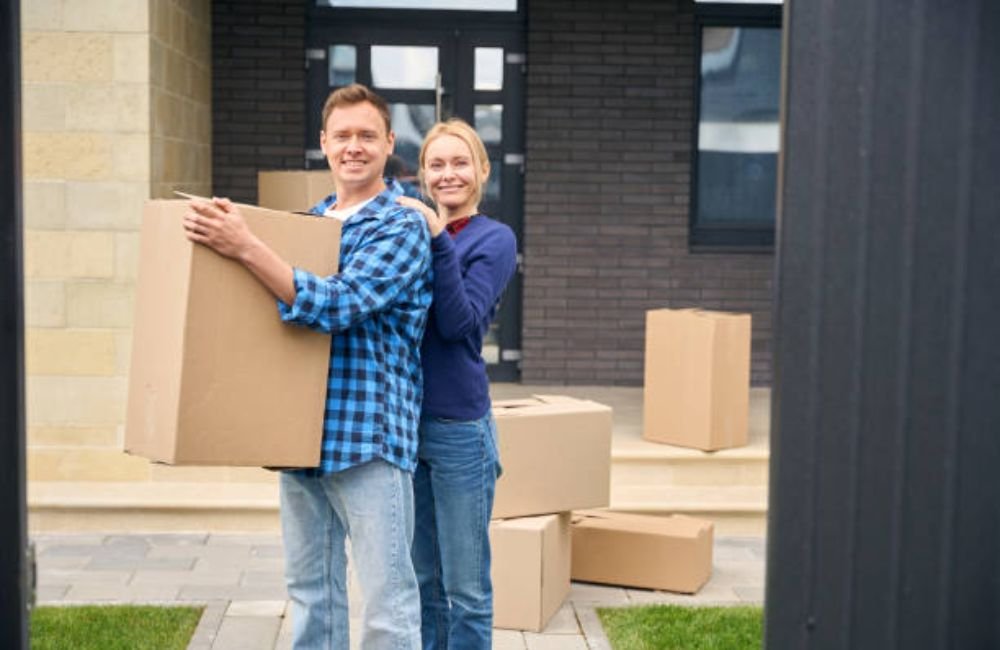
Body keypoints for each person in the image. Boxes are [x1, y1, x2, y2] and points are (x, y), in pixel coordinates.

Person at [183, 83, 432, 650]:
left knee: (387, 606)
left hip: (369, 441)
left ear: (389, 142)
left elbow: (336, 303)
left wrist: (246, 247)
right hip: (301, 440)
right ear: (323, 142)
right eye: (342, 135)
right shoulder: (307, 225)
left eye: (367, 135)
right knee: (310, 594)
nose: (354, 147)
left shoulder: (401, 226)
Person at [397, 118, 518, 650]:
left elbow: (460, 324)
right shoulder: (407, 230)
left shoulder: (494, 239)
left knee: (466, 589)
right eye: (437, 164)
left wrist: (436, 239)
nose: (449, 175)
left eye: (460, 162)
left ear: (482, 171)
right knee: (425, 582)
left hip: (460, 431)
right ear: (423, 174)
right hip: (405, 424)